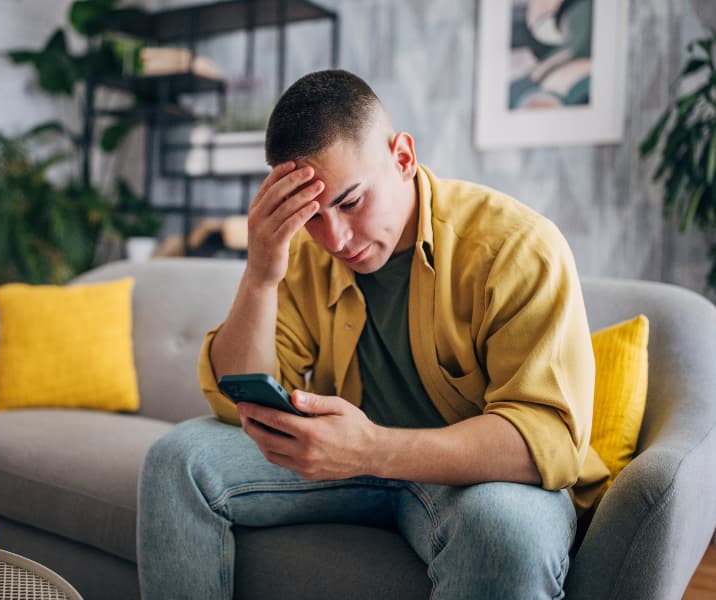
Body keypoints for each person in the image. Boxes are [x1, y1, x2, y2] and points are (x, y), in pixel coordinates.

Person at [137, 69, 609, 599]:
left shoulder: (517, 248)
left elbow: (546, 440)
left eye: (350, 202)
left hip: (473, 479)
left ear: (402, 157)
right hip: (350, 464)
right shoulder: (307, 252)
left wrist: (371, 450)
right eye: (312, 216)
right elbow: (240, 396)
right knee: (176, 459)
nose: (335, 238)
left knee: (504, 532)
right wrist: (261, 272)